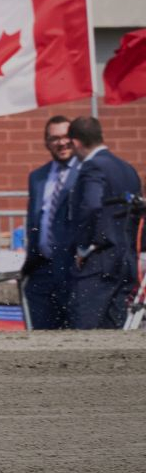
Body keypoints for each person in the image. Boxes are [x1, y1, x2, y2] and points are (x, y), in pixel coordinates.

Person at [61, 117, 142, 330]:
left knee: (83, 327)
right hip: (126, 261)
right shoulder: (128, 169)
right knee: (114, 330)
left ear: (76, 142)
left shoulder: (93, 167)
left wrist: (83, 247)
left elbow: (91, 205)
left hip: (100, 261)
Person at [21, 115, 80, 330]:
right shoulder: (38, 176)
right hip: (42, 270)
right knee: (42, 336)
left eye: (66, 136)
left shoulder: (87, 171)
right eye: (55, 138)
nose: (61, 143)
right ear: (47, 142)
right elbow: (34, 219)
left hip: (74, 269)